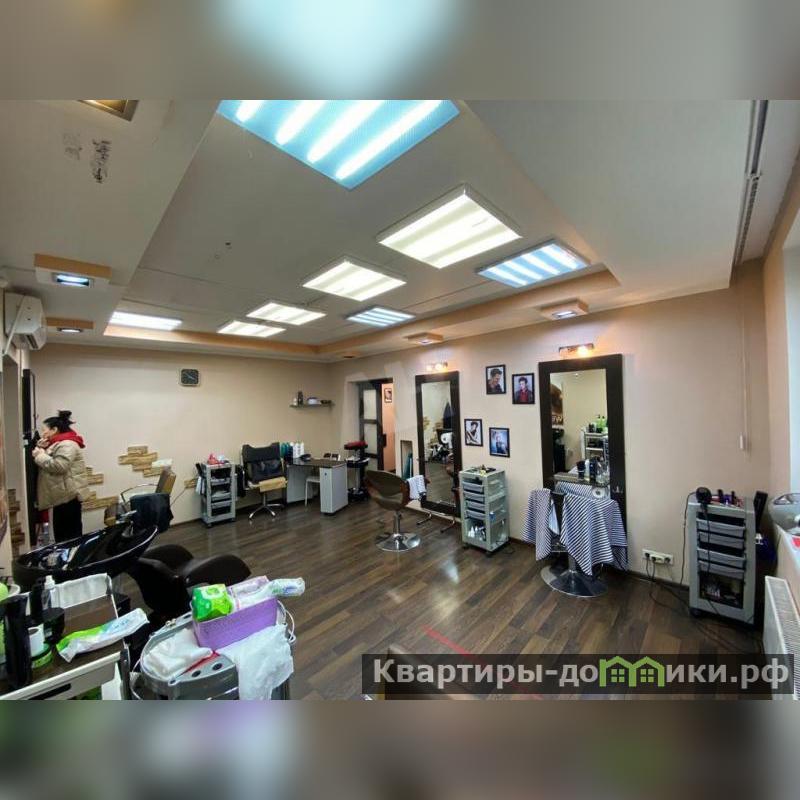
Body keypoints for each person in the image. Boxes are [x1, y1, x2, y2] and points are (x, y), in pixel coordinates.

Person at [32, 410, 90, 543]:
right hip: (63, 495)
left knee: (68, 536)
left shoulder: (67, 444)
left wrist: (40, 455)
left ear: (54, 430)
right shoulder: (59, 443)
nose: (43, 433)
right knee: (64, 534)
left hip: (68, 496)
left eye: (44, 430)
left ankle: (73, 556)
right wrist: (42, 448)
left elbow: (60, 466)